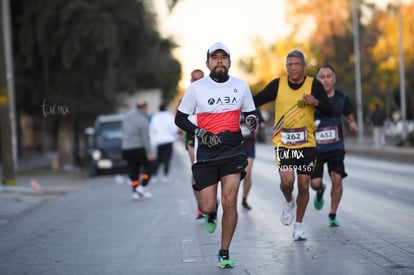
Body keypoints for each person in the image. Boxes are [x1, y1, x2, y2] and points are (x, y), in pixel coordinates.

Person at [175, 42, 258, 268]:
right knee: (208, 206)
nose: (219, 61)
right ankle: (211, 213)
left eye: (224, 57)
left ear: (229, 62)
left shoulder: (241, 86)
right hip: (207, 151)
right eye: (215, 57)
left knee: (230, 200)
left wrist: (253, 121)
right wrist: (199, 132)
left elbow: (251, 113)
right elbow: (180, 119)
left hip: (233, 149)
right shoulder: (196, 88)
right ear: (208, 63)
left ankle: (224, 251)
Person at [253, 50, 333, 241]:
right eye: (289, 64)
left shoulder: (313, 85)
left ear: (304, 66)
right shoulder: (277, 85)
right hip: (284, 144)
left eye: (297, 64)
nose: (293, 68)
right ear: (286, 67)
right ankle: (288, 201)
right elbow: (255, 100)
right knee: (287, 182)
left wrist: (316, 102)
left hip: (307, 144)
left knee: (304, 186)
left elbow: (330, 110)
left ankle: (298, 226)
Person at [310, 65, 358, 227]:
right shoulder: (311, 99)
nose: (325, 79)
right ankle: (320, 190)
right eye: (322, 77)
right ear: (317, 81)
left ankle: (332, 214)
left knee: (337, 179)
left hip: (336, 146)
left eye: (328, 76)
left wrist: (351, 122)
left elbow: (348, 114)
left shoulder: (342, 97)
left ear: (334, 79)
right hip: (316, 148)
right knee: (315, 183)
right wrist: (310, 126)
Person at [121, 100, 154, 200]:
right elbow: (145, 138)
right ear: (144, 108)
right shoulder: (143, 120)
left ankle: (135, 191)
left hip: (126, 148)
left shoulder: (126, 117)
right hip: (138, 148)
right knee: (149, 167)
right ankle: (142, 187)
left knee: (133, 170)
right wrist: (149, 153)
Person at [185, 69, 205, 219]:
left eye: (201, 79)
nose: (198, 82)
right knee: (196, 170)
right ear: (191, 81)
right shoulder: (186, 97)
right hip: (192, 138)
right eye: (195, 79)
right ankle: (200, 206)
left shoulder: (211, 93)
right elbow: (179, 121)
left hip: (208, 138)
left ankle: (210, 201)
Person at [239, 109, 265, 211]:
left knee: (247, 174)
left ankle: (244, 199)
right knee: (235, 176)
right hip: (235, 147)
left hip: (249, 146)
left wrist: (258, 125)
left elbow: (261, 123)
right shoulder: (231, 104)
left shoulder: (253, 107)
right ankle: (231, 200)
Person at [150, 103, 180, 182]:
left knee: (158, 159)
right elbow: (174, 128)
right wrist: (176, 136)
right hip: (168, 140)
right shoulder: (169, 116)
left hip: (159, 140)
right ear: (166, 108)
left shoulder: (155, 117)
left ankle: (154, 175)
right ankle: (165, 175)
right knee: (167, 158)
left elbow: (152, 129)